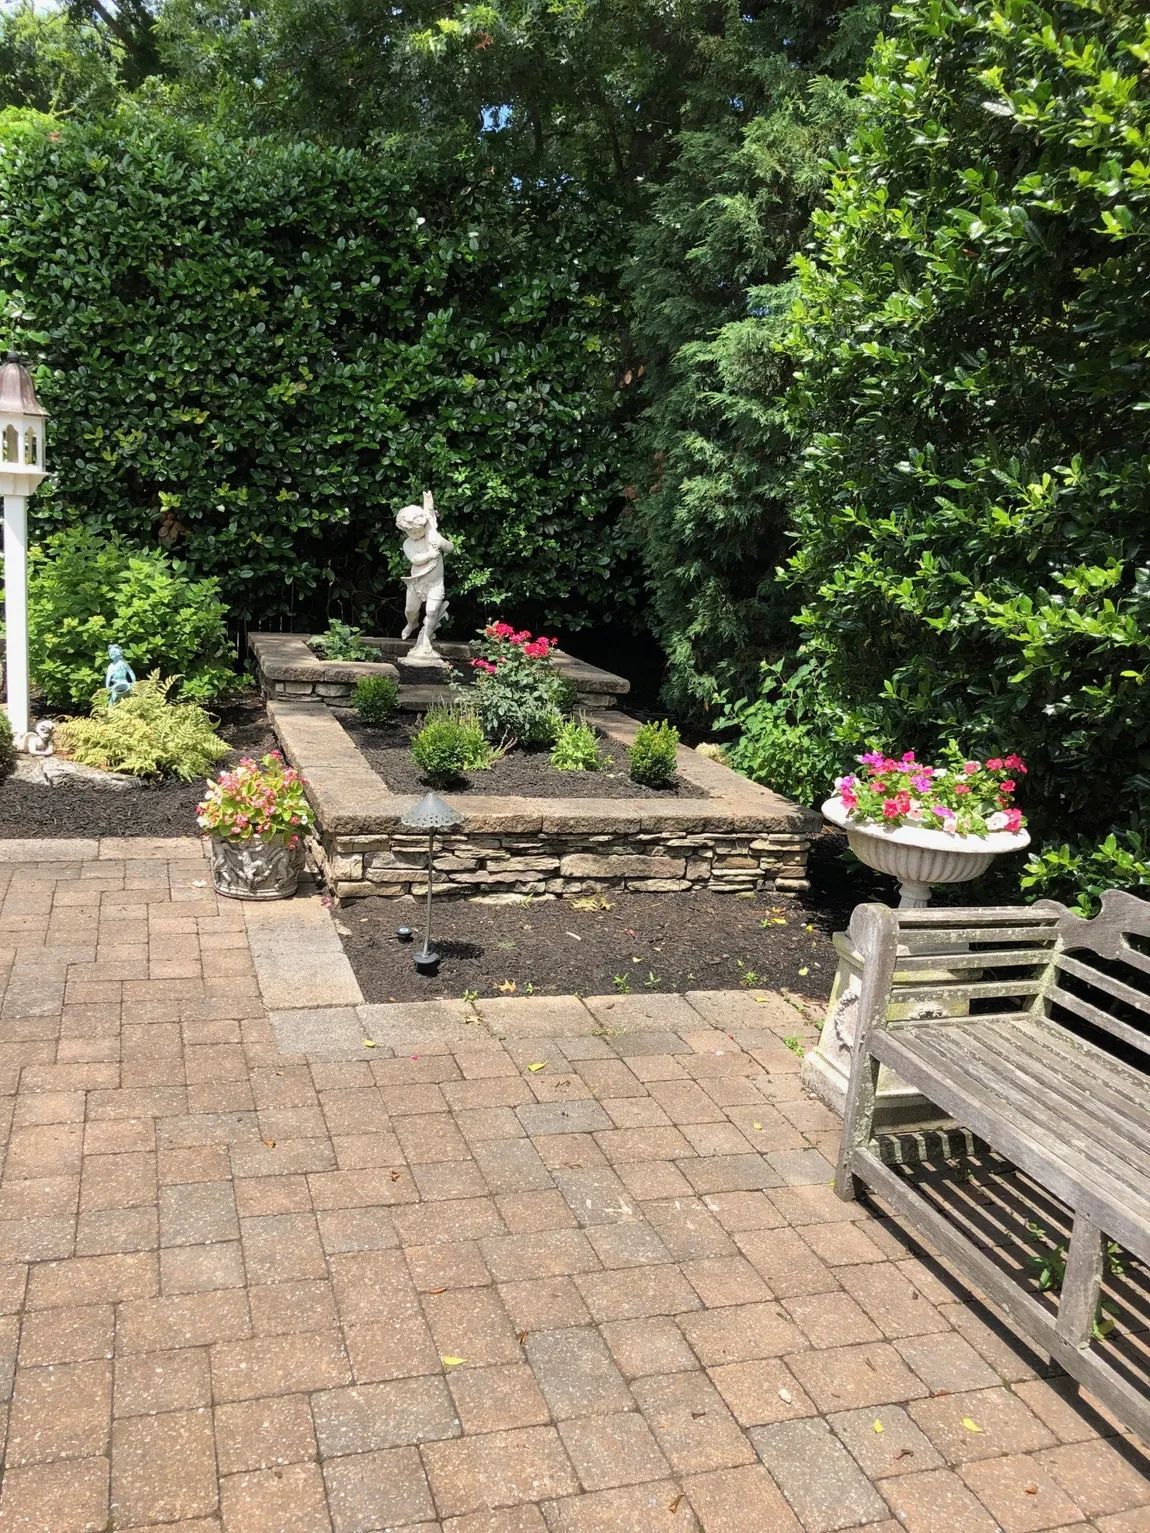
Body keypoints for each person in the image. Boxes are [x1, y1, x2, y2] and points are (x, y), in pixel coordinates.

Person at [396, 491, 452, 664]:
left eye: (418, 531)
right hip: (417, 582)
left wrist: (441, 543)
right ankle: (411, 624)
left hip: (435, 583)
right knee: (410, 610)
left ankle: (426, 640)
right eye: (411, 532)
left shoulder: (432, 535)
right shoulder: (408, 544)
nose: (415, 535)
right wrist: (430, 554)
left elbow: (450, 548)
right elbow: (415, 559)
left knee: (432, 610)